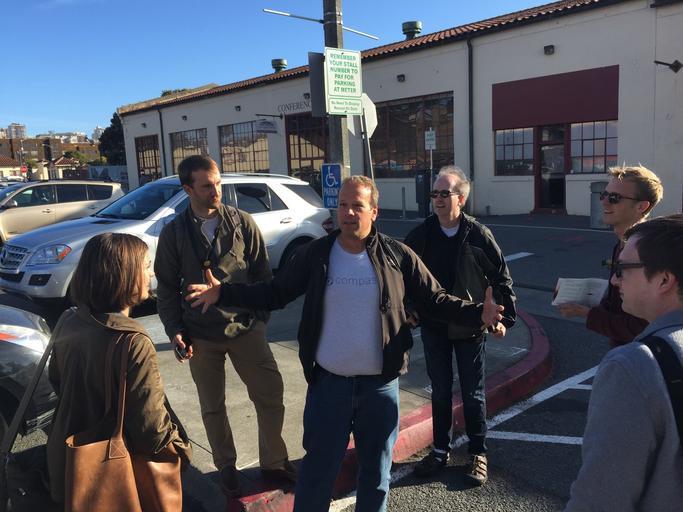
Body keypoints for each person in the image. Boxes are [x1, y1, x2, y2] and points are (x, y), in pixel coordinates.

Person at [185, 176, 504, 512]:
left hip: (379, 390)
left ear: (374, 211)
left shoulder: (397, 256)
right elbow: (275, 292)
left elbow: (435, 299)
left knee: (376, 476)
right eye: (342, 205)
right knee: (316, 475)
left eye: (357, 206)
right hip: (329, 388)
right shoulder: (316, 254)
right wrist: (225, 293)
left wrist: (477, 314)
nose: (348, 212)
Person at [154, 155, 294, 497]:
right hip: (201, 336)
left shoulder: (242, 223)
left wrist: (259, 321)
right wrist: (175, 330)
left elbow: (263, 275)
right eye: (206, 186)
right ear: (188, 189)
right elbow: (166, 289)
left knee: (270, 395)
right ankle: (226, 467)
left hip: (246, 329)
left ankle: (274, 462)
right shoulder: (174, 233)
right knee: (212, 406)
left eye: (217, 183)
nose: (216, 191)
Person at [46, 232, 192, 505]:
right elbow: (151, 430)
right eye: (145, 266)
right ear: (123, 275)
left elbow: (57, 380)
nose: (151, 273)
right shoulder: (133, 341)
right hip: (112, 477)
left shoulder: (69, 320)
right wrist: (181, 449)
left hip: (66, 459)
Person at [404, 166, 516, 485]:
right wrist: (409, 308)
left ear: (461, 199)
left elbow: (501, 279)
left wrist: (502, 319)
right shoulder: (421, 235)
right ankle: (440, 451)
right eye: (434, 193)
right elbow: (402, 277)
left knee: (472, 394)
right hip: (435, 326)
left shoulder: (478, 235)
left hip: (470, 326)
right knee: (440, 391)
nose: (438, 199)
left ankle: (477, 453)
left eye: (445, 193)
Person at [565, 214, 683, 511]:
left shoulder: (635, 365)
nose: (614, 279)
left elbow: (600, 500)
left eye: (622, 269)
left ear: (664, 280)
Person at [558, 165, 663, 346]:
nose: (604, 202)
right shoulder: (623, 243)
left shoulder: (645, 253)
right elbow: (619, 306)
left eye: (614, 198)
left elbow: (639, 327)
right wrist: (586, 300)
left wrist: (587, 314)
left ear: (642, 206)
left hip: (639, 356)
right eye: (604, 195)